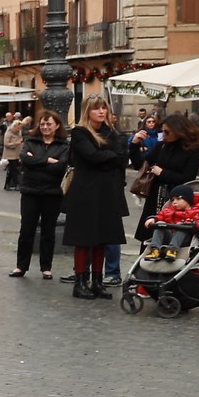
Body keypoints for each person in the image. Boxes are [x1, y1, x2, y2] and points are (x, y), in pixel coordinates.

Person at [61, 98, 131, 300]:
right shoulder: (80, 132)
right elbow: (92, 156)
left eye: (103, 108)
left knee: (103, 238)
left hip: (107, 191)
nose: (101, 111)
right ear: (87, 112)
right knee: (84, 239)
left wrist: (108, 156)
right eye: (96, 109)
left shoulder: (111, 132)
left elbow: (121, 157)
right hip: (85, 192)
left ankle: (97, 282)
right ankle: (80, 282)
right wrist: (109, 155)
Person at [9, 109, 69, 280]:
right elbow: (25, 160)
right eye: (42, 124)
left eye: (49, 124)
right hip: (30, 192)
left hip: (52, 193)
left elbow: (61, 167)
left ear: (57, 125)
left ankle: (46, 267)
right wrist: (48, 160)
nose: (45, 127)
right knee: (26, 230)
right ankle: (21, 266)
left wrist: (36, 161)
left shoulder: (63, 145)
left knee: (48, 232)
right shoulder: (30, 141)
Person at [134, 113, 199, 247]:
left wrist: (162, 173)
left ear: (178, 131)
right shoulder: (162, 146)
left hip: (178, 201)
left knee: (173, 238)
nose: (163, 135)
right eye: (162, 131)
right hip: (156, 197)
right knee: (149, 237)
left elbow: (188, 178)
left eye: (167, 132)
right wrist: (134, 145)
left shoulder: (192, 150)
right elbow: (141, 164)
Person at [2, 113, 27, 191]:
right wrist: (15, 143)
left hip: (17, 153)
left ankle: (7, 184)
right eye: (19, 127)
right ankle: (16, 184)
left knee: (12, 170)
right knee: (14, 169)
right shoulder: (9, 132)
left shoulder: (18, 132)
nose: (20, 129)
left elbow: (20, 140)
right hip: (10, 154)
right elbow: (6, 144)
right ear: (15, 126)